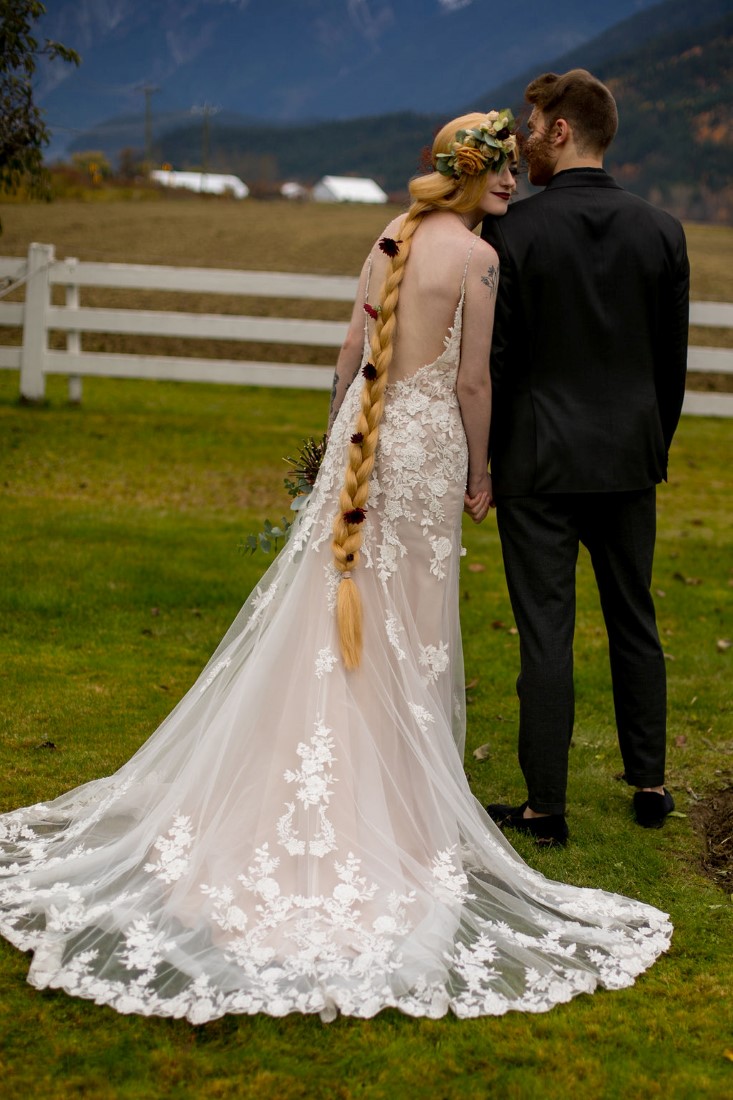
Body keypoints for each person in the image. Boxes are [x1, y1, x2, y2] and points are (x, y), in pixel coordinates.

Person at [0, 111, 672, 1025]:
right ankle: (396, 813)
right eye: (504, 168)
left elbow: (351, 355)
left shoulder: (390, 235)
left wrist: (335, 444)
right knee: (410, 622)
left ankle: (321, 782)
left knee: (333, 607)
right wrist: (480, 468)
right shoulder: (479, 260)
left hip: (366, 439)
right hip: (427, 446)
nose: (516, 181)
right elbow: (471, 383)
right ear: (471, 174)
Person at [480, 70, 690, 847]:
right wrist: (646, 442)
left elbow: (498, 362)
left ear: (562, 131)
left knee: (546, 632)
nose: (526, 140)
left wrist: (492, 459)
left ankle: (545, 807)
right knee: (635, 620)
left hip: (537, 461)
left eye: (535, 124)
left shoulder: (514, 231)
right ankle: (649, 784)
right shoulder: (661, 231)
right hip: (630, 458)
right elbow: (670, 367)